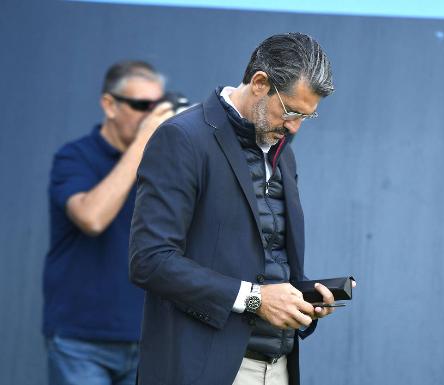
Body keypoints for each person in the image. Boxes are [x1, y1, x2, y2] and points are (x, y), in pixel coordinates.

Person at [129, 33, 353, 385]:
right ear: (260, 83)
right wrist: (255, 300)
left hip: (279, 366)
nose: (294, 127)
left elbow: (267, 261)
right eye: (292, 111)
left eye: (306, 117)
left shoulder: (283, 152)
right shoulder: (182, 138)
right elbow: (151, 261)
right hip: (204, 369)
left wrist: (302, 299)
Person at [42, 60, 174, 385]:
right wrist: (143, 143)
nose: (150, 115)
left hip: (147, 337)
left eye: (156, 106)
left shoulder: (163, 164)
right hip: (81, 341)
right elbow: (92, 218)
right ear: (109, 104)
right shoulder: (75, 157)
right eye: (141, 105)